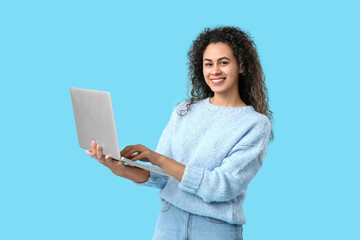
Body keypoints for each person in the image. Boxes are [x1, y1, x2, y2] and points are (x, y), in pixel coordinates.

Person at [86, 26, 274, 240]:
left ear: (241, 66)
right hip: (169, 222)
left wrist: (157, 158)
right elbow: (161, 177)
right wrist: (120, 169)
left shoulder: (255, 124)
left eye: (224, 62)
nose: (215, 71)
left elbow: (221, 187)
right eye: (208, 64)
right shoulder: (184, 110)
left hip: (214, 229)